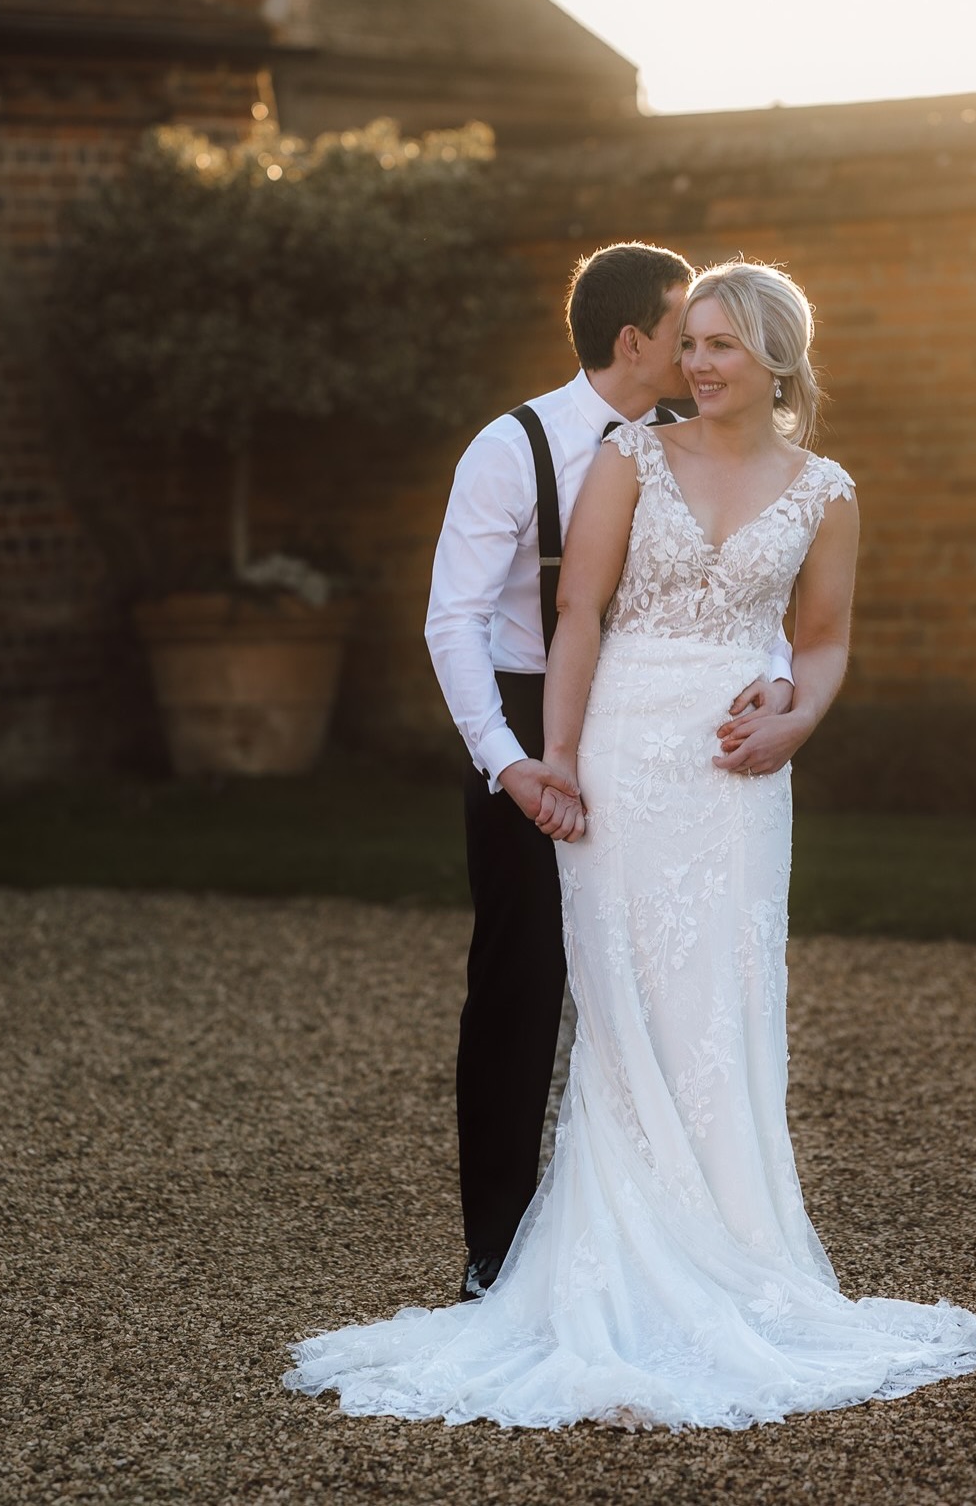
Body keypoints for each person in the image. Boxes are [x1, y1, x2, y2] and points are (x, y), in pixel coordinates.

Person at [284, 262, 976, 1428]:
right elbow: (577, 615)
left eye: (722, 345)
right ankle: (580, 1262)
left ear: (775, 357)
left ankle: (736, 1247)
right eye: (692, 341)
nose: (700, 363)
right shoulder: (628, 458)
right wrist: (554, 757)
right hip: (621, 754)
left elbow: (821, 641)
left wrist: (798, 716)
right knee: (614, 1012)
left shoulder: (826, 490)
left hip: (737, 779)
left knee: (720, 1002)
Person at [418, 243, 794, 1304]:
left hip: (658, 719)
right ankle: (496, 1249)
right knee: (522, 982)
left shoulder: (695, 441)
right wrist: (511, 761)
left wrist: (771, 678)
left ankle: (676, 1237)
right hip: (530, 713)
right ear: (636, 341)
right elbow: (452, 619)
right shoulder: (514, 445)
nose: (701, 350)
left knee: (673, 976)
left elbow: (739, 585)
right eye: (687, 331)